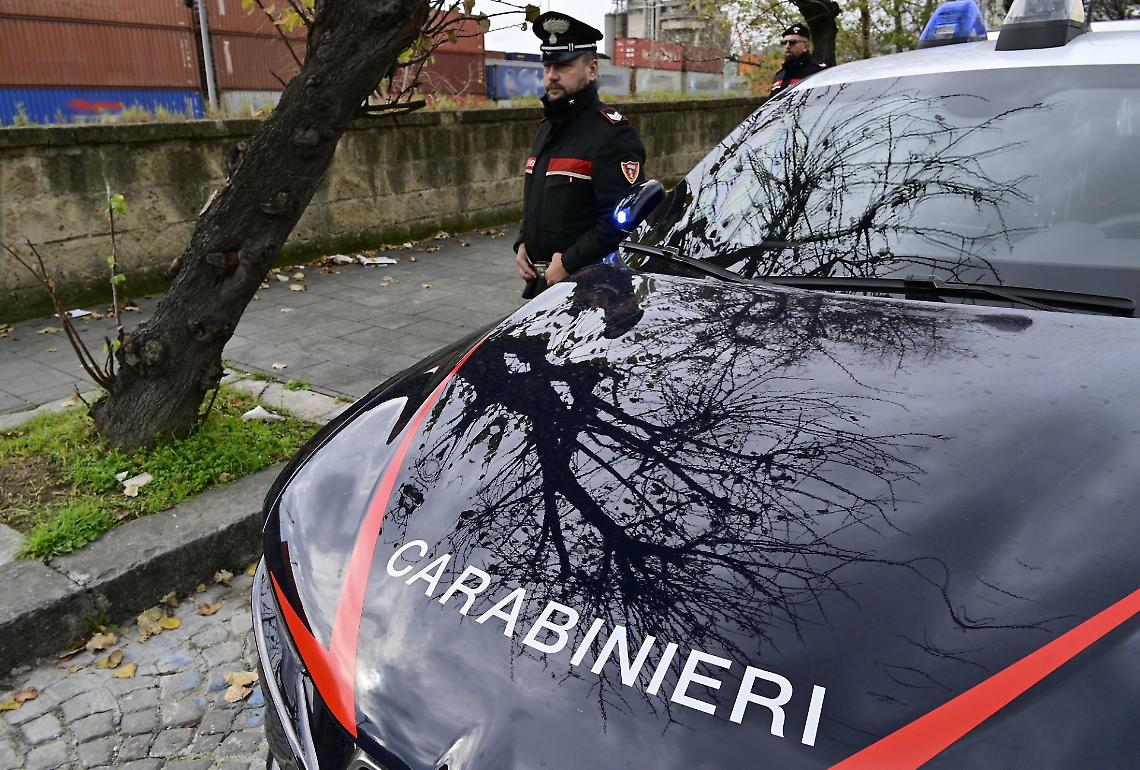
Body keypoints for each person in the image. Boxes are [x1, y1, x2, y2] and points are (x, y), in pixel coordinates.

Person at [514, 11, 648, 298]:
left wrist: (570, 262)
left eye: (563, 66)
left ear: (592, 70)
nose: (552, 76)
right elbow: (539, 199)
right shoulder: (548, 128)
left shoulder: (611, 132)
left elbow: (625, 218)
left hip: (590, 291)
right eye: (548, 66)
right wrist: (523, 243)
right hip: (541, 288)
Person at [770, 23, 826, 97]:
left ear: (806, 46)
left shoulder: (817, 72)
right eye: (784, 43)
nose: (787, 46)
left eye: (792, 42)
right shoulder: (779, 75)